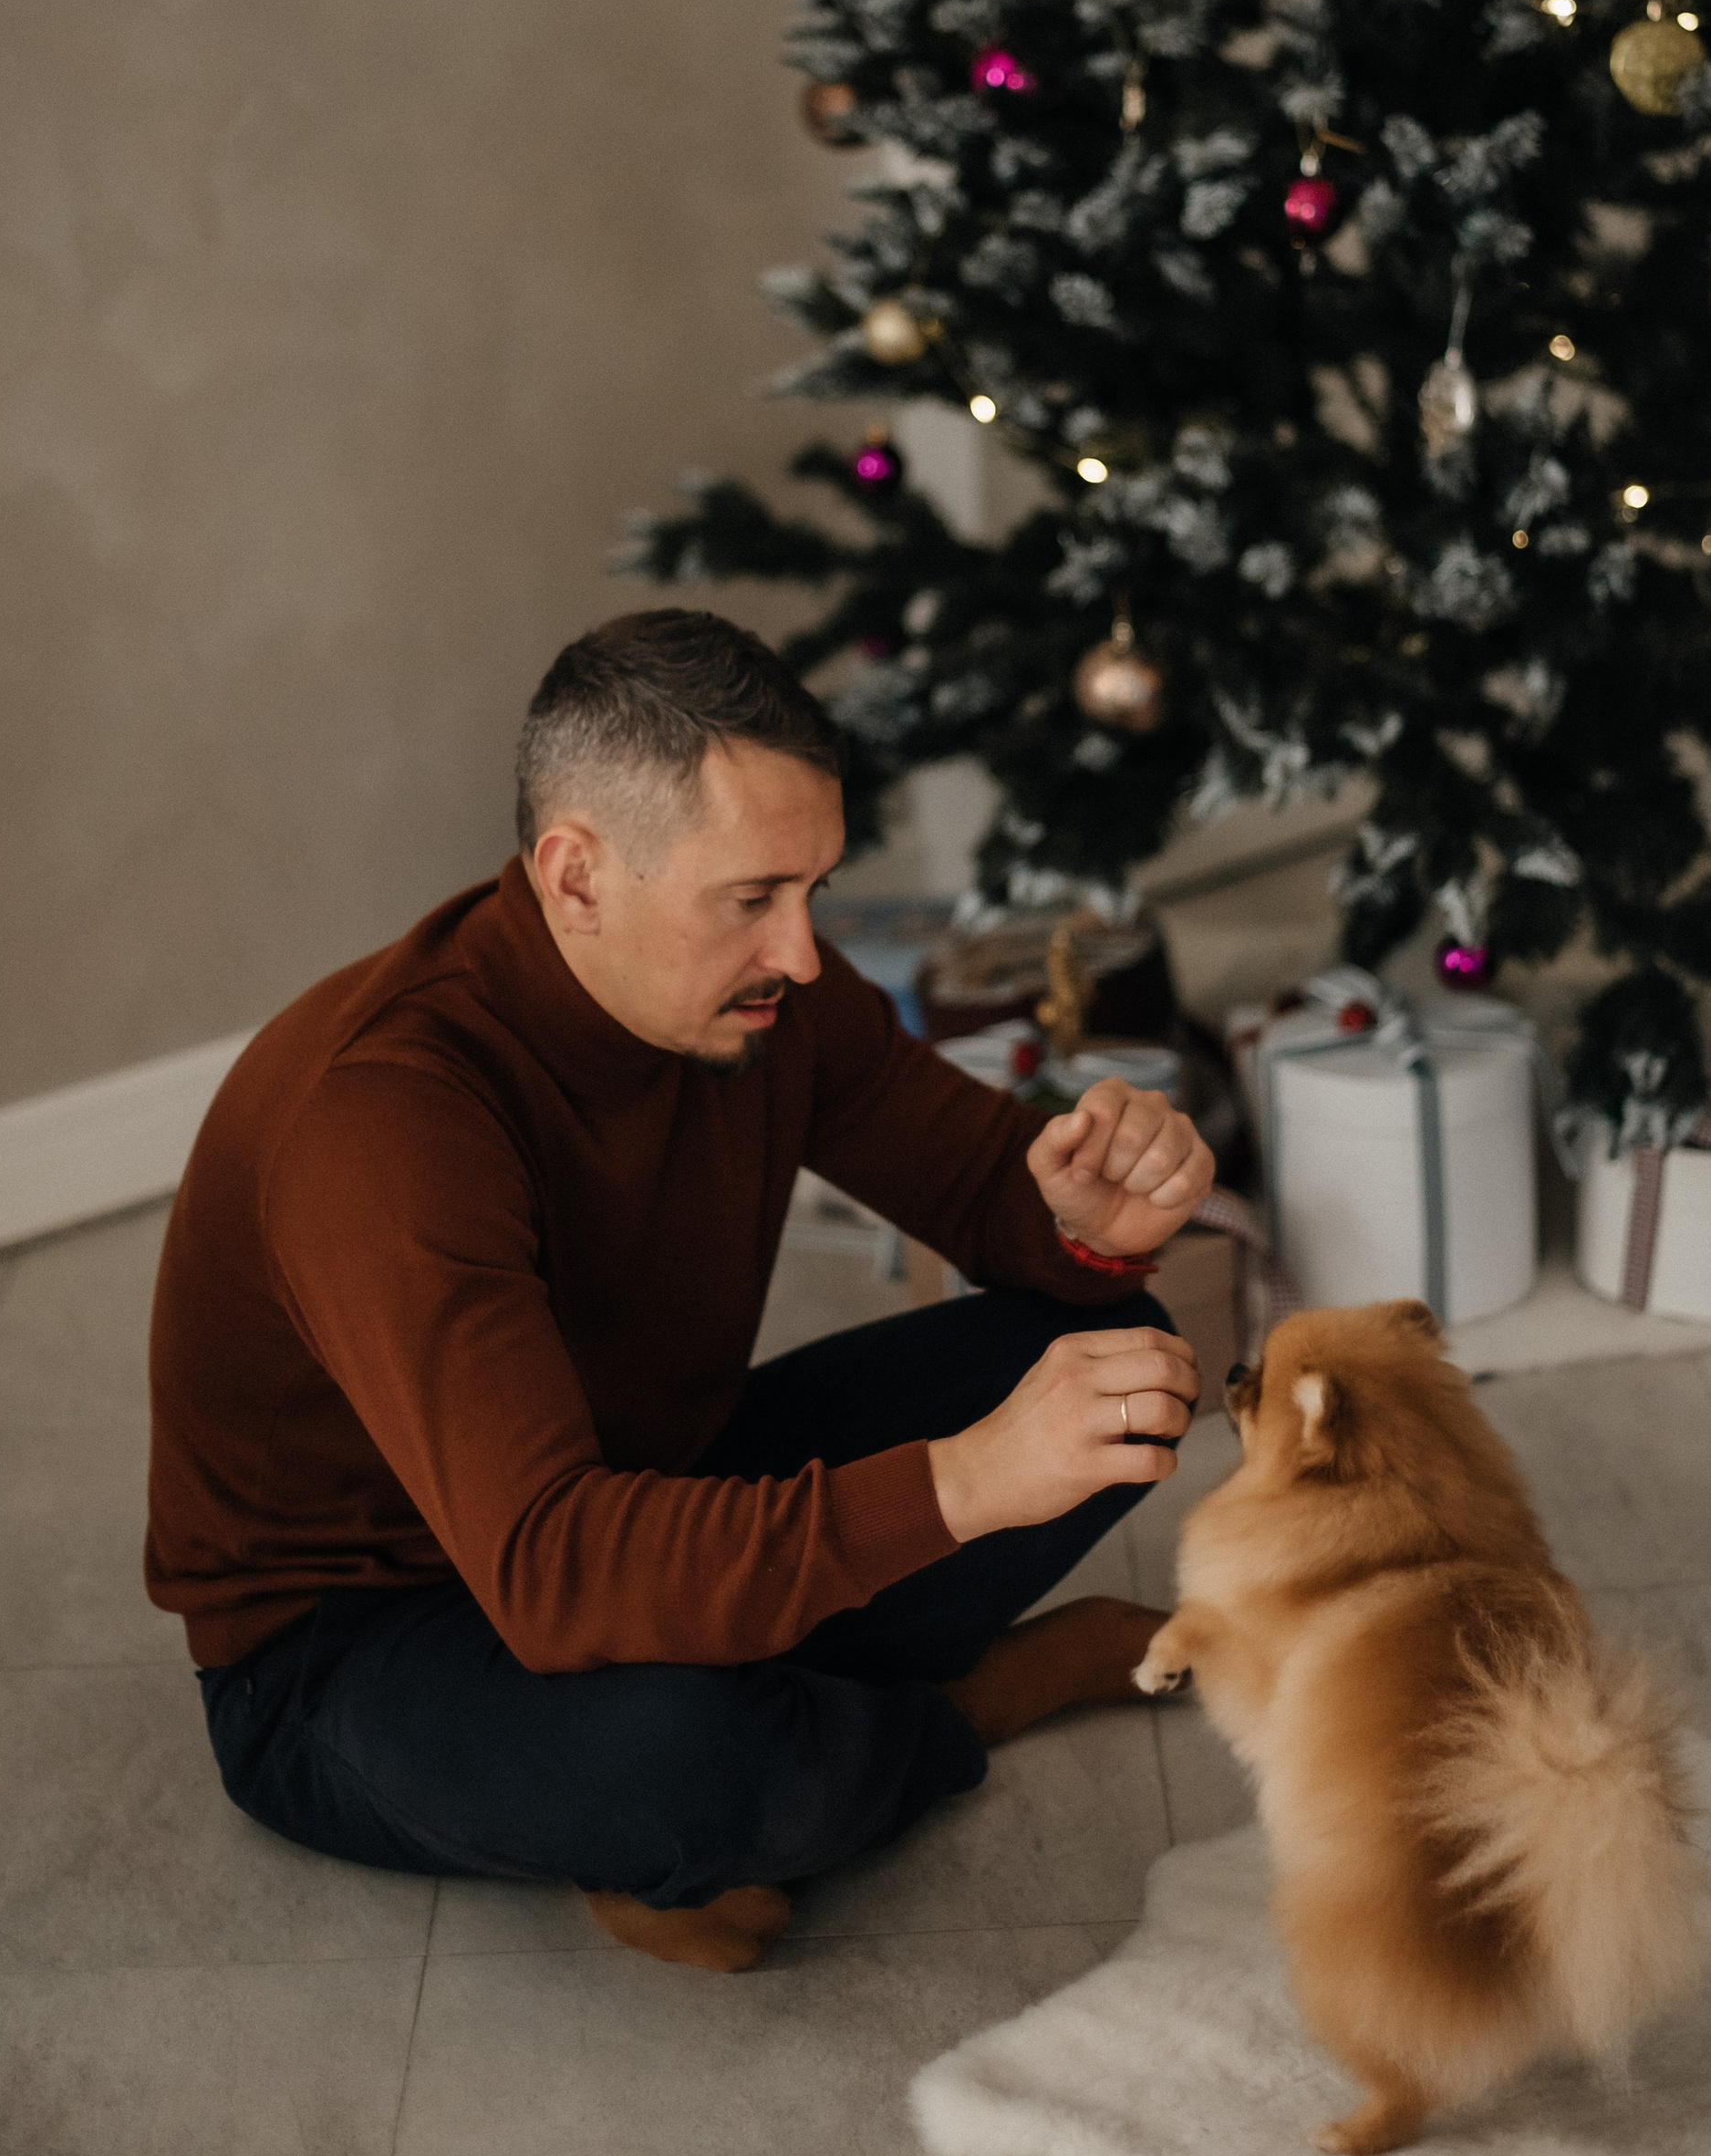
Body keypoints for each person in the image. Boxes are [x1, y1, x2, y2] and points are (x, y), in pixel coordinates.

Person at [145, 608, 1214, 1971]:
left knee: (1119, 1358)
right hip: (354, 1641)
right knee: (693, 1766)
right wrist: (960, 1485)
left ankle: (755, 1723)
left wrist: (1074, 1219)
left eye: (813, 891)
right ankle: (954, 1709)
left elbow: (969, 1176)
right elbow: (547, 1569)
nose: (806, 954)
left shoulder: (762, 999)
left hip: (647, 1480)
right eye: (754, 897)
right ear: (577, 877)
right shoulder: (384, 1124)